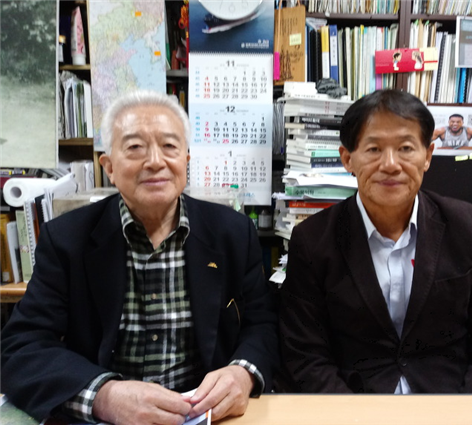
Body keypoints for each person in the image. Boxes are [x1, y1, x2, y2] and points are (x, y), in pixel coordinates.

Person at [1, 90, 279, 424]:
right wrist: (103, 395)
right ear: (109, 167)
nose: (155, 161)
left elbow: (262, 325)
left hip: (205, 416)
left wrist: (243, 373)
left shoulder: (232, 233)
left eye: (169, 146)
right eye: (135, 147)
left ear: (186, 161)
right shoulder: (66, 240)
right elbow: (21, 347)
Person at [279, 89, 472, 394]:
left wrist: (463, 413)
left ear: (428, 156)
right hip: (355, 403)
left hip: (449, 401)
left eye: (406, 148)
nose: (391, 164)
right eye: (373, 149)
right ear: (347, 159)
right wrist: (352, 414)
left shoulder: (470, 227)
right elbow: (304, 356)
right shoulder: (313, 240)